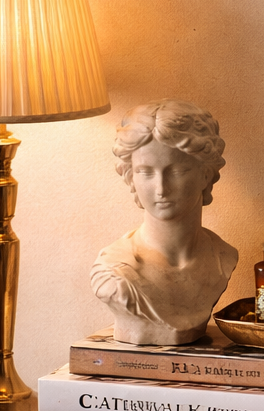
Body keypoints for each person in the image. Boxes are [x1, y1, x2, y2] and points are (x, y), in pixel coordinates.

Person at [91, 100, 239, 345]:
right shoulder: (115, 274)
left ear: (205, 174)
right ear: (130, 176)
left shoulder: (223, 256)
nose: (161, 188)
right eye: (145, 172)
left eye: (177, 171)